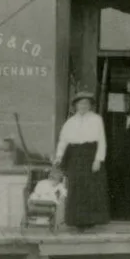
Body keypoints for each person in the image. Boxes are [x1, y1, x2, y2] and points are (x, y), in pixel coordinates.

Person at [54, 91, 110, 230]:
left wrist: (98, 159)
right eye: (80, 103)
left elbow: (102, 141)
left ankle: (90, 221)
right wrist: (59, 156)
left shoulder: (97, 119)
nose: (83, 106)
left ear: (90, 105)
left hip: (90, 155)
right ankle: (76, 221)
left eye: (86, 103)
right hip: (75, 156)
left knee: (91, 188)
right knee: (76, 188)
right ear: (76, 105)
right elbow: (63, 141)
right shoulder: (70, 122)